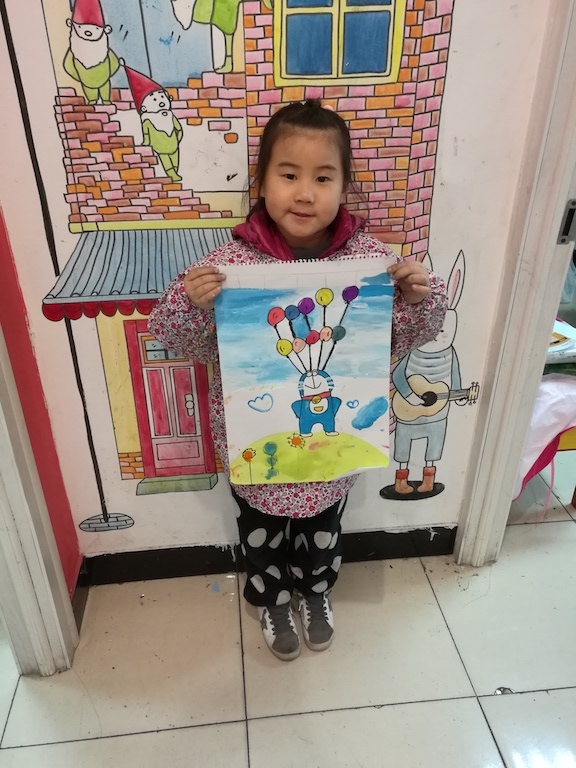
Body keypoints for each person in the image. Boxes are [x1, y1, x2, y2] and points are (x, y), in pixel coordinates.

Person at [148, 100, 448, 661]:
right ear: (261, 182)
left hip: (331, 456)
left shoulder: (371, 263)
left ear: (345, 187)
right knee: (260, 534)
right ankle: (272, 599)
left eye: (323, 177)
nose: (305, 193)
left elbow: (404, 338)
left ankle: (315, 592)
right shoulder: (228, 265)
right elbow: (177, 337)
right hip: (256, 452)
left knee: (323, 532)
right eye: (289, 175)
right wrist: (192, 302)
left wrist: (416, 297)